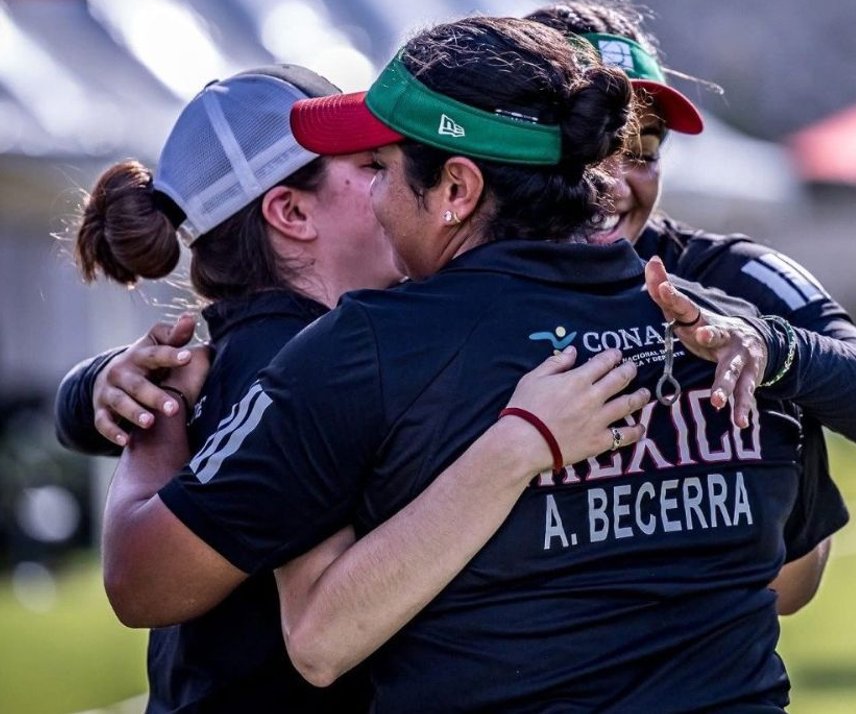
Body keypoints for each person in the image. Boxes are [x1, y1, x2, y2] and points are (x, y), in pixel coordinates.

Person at [108, 16, 856, 711]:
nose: (380, 191)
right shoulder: (718, 323)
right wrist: (136, 409)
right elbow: (209, 602)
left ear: (459, 189)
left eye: (387, 165)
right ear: (290, 214)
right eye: (369, 164)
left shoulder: (358, 343)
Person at [61, 63, 650, 713]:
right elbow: (141, 584)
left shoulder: (304, 343)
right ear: (290, 211)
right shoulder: (296, 360)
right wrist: (154, 410)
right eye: (374, 166)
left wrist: (96, 387)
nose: (401, 182)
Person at [526, 0, 856, 613]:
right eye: (592, 150)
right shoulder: (457, 274)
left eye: (644, 152)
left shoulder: (733, 273)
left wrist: (771, 349)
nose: (618, 184)